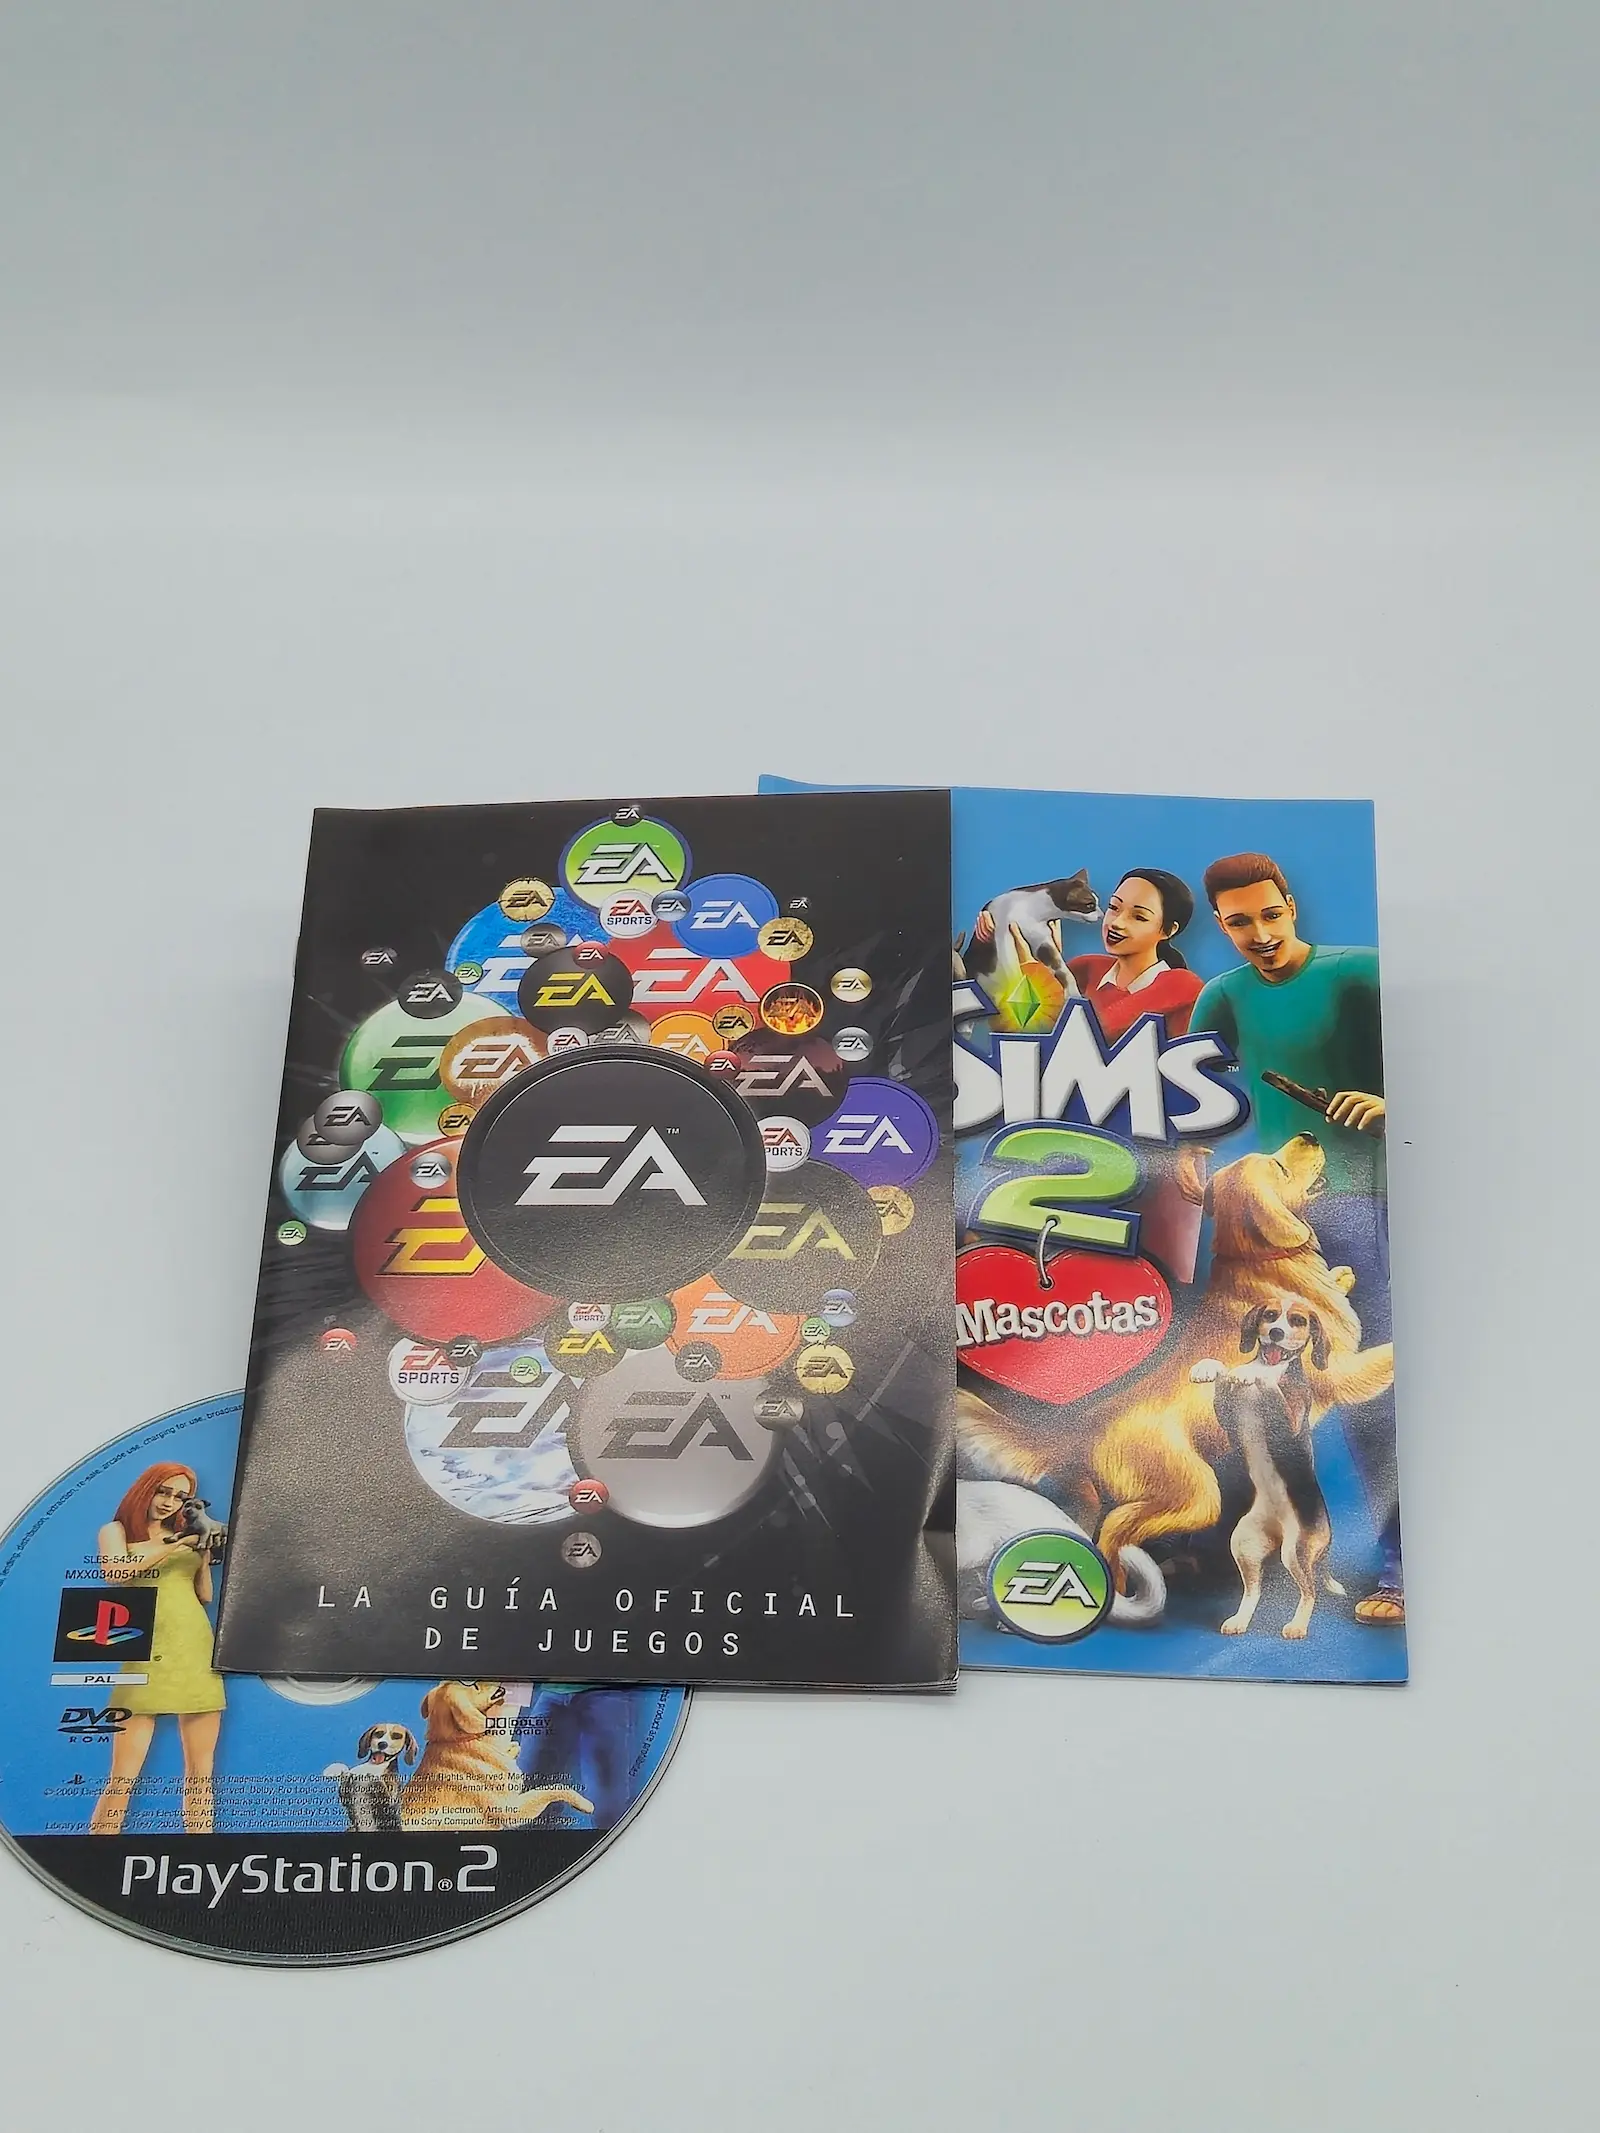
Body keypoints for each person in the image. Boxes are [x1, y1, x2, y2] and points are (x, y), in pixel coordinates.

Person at [1190, 853, 1401, 1623]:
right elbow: (1188, 1097)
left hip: (1359, 1199)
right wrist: (1190, 1158)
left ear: (1291, 905)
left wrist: (1392, 1103)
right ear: (1221, 924)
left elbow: (1451, 1066)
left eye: (1270, 914)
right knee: (1241, 1387)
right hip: (1270, 1222)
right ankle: (1228, 1549)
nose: (1260, 934)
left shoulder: (1359, 972)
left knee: (1366, 1388)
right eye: (1239, 922)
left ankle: (1397, 1566)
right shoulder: (1223, 995)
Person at [90, 1463, 227, 1834]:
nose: (169, 1502)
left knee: (201, 1773)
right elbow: (115, 1572)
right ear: (145, 1489)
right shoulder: (116, 1531)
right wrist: (178, 1544)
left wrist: (202, 1554)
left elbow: (204, 1595)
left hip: (195, 1647)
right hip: (144, 1651)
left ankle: (200, 1851)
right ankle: (94, 1851)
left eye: (180, 1497)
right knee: (122, 1776)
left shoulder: (184, 1534)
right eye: (163, 1491)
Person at [1065, 867, 1204, 1040]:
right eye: (1114, 907)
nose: (1117, 923)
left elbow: (1095, 1032)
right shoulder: (1087, 968)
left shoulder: (1181, 984)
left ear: (1168, 930)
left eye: (1139, 917)